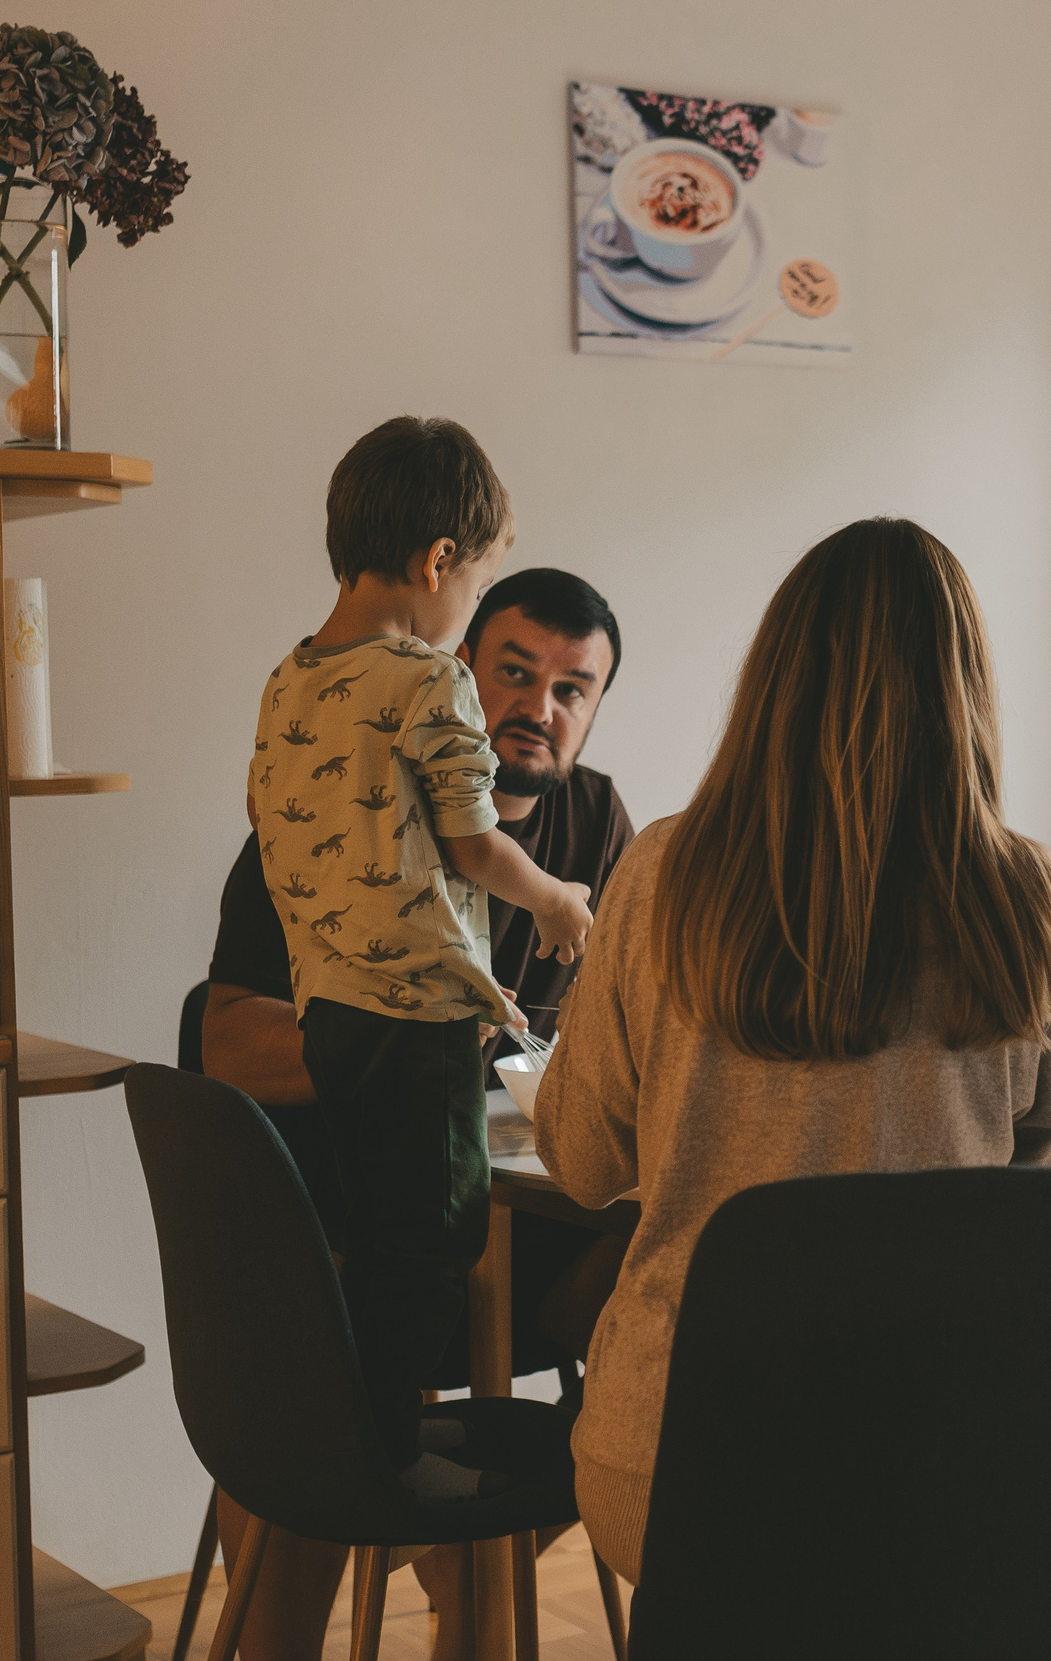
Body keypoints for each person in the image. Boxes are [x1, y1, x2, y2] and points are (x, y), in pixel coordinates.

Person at [533, 517, 1051, 1582]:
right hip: (939, 1465)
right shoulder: (1040, 907)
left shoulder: (661, 873)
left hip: (677, 1463)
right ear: (965, 687)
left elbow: (580, 1158)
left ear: (775, 676)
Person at [204, 562, 635, 1657]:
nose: (539, 707)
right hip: (349, 1245)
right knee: (320, 1439)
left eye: (572, 688)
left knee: (675, 1280)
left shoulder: (596, 827)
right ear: (455, 671)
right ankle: (396, 1555)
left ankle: (467, 1554)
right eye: (514, 671)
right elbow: (221, 1046)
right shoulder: (339, 804)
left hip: (526, 1240)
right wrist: (406, 1036)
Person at [247, 413, 593, 1507]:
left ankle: (369, 1424)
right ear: (440, 560)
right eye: (474, 579)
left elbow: (275, 818)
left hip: (330, 1002)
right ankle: (387, 1448)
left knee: (371, 1231)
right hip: (416, 1011)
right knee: (437, 1237)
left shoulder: (293, 675)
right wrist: (556, 901)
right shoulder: (426, 679)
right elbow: (472, 840)